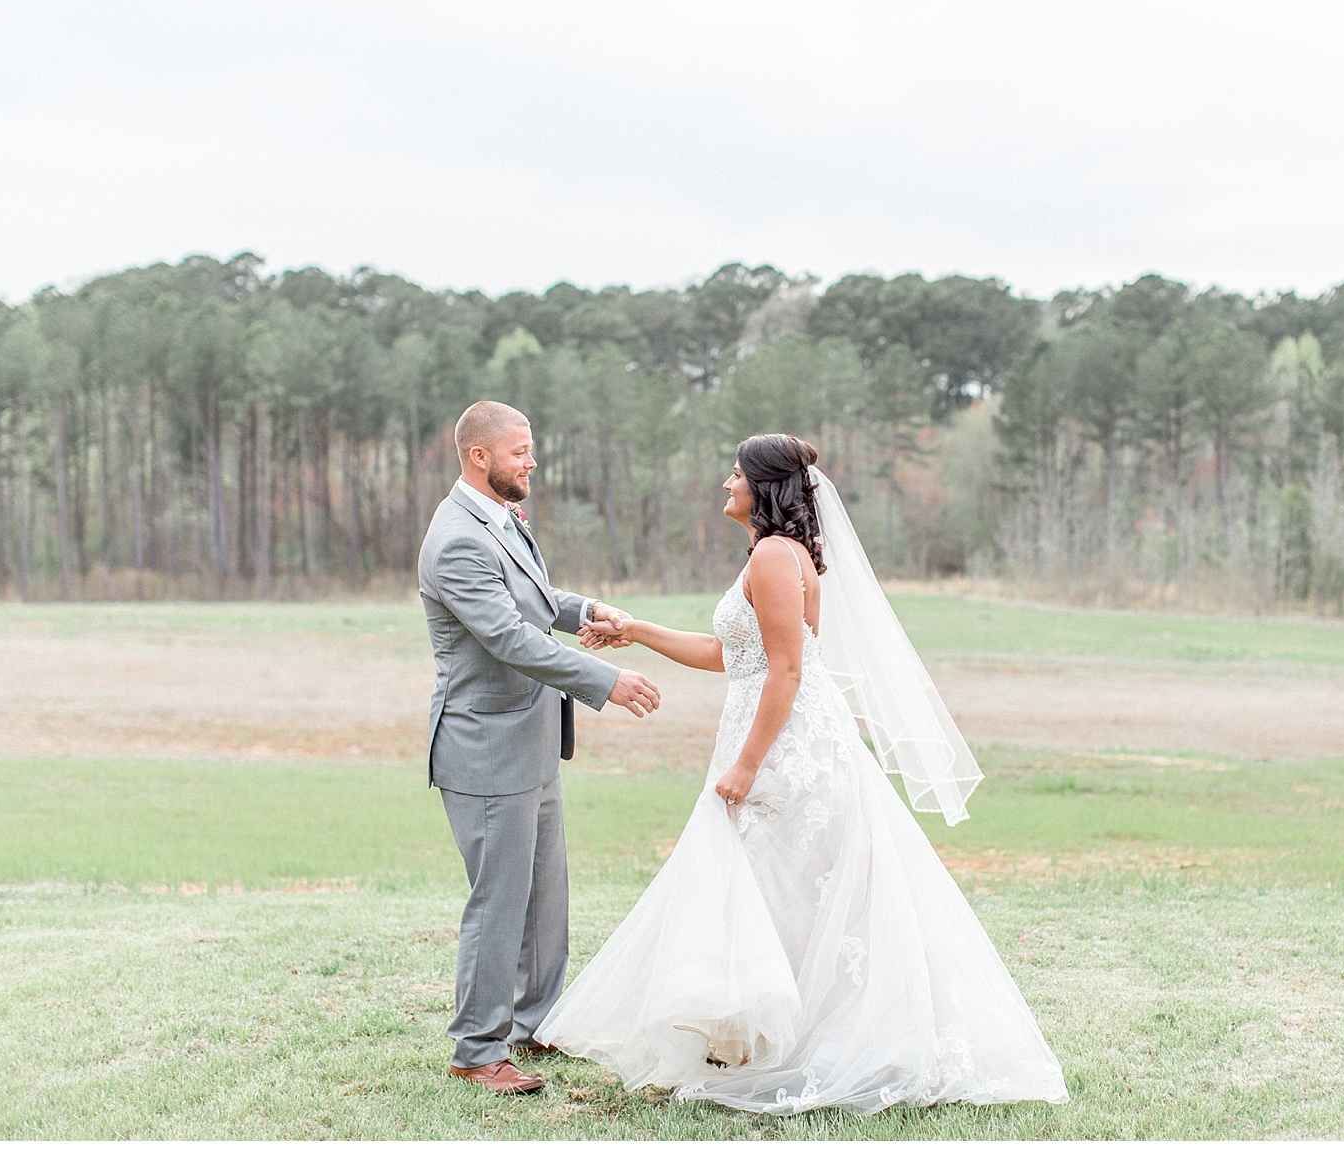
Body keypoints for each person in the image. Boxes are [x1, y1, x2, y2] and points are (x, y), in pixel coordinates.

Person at [535, 433, 1067, 1114]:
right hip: (773, 731)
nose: (725, 482)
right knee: (770, 891)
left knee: (773, 887)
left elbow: (787, 669)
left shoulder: (773, 557)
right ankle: (756, 1037)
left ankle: (792, 1040)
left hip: (787, 749)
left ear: (764, 486)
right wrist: (636, 629)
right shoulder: (771, 556)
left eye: (735, 473)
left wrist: (746, 764)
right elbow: (732, 654)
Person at [418, 400, 661, 1095]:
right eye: (520, 450)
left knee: (543, 894)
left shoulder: (499, 519)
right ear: (479, 456)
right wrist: (605, 680)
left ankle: (537, 1019)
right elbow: (509, 638)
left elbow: (532, 599)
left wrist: (589, 611)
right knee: (499, 901)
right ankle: (476, 1048)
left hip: (531, 739)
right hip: (485, 748)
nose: (532, 461)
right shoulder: (455, 538)